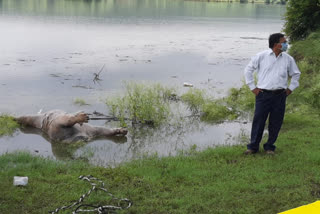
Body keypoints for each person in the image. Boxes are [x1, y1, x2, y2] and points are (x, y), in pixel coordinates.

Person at [244, 33, 301, 155]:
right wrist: (252, 87)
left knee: (276, 122)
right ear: (276, 44)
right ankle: (253, 147)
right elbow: (248, 70)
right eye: (284, 42)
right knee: (259, 121)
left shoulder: (288, 59)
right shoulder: (261, 56)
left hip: (280, 95)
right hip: (263, 95)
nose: (286, 44)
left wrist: (290, 88)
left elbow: (296, 74)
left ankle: (269, 147)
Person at [15, 110, 127, 143]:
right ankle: (11, 118)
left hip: (70, 128)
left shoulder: (85, 129)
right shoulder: (49, 119)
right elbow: (65, 120)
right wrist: (76, 119)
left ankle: (116, 130)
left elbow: (99, 130)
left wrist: (76, 119)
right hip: (52, 121)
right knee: (24, 119)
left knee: (97, 130)